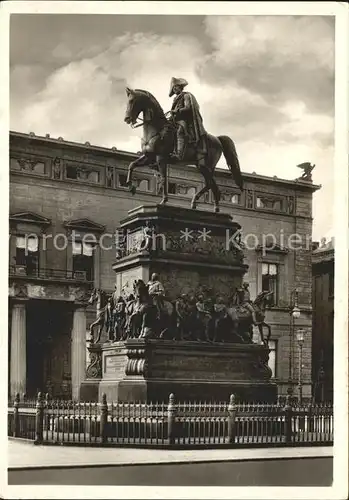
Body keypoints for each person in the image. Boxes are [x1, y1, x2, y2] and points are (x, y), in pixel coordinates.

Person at [169, 77, 207, 162]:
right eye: (173, 88)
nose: (174, 89)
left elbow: (188, 107)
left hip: (184, 121)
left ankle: (179, 154)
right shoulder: (175, 98)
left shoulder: (186, 95)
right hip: (175, 120)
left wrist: (177, 110)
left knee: (180, 131)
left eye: (176, 87)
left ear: (180, 87)